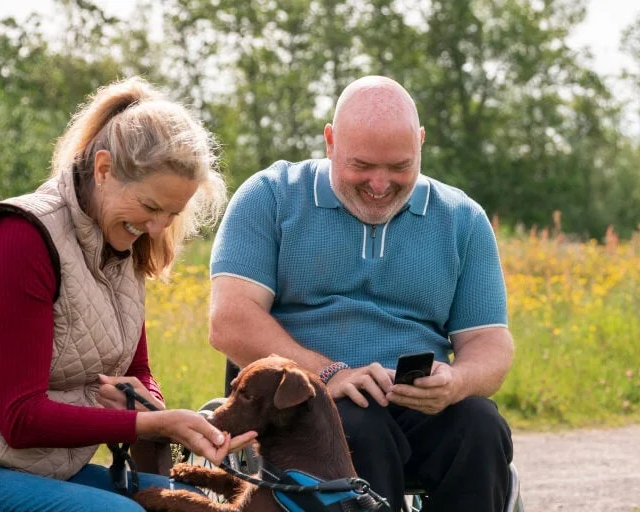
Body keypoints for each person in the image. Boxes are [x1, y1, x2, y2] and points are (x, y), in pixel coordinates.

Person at [0, 77, 255, 512]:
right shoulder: (20, 236)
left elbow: (137, 369)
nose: (157, 229)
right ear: (103, 170)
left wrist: (142, 399)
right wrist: (153, 422)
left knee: (192, 504)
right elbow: (20, 419)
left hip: (38, 468)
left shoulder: (119, 244)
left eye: (172, 214)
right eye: (151, 207)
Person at [208, 75, 514, 511]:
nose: (379, 183)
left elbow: (490, 343)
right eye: (363, 165)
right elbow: (230, 321)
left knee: (480, 426)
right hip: (305, 401)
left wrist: (457, 381)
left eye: (399, 167)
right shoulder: (270, 197)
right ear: (330, 141)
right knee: (357, 427)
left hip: (413, 401)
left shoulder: (463, 220)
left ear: (421, 144)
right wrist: (330, 374)